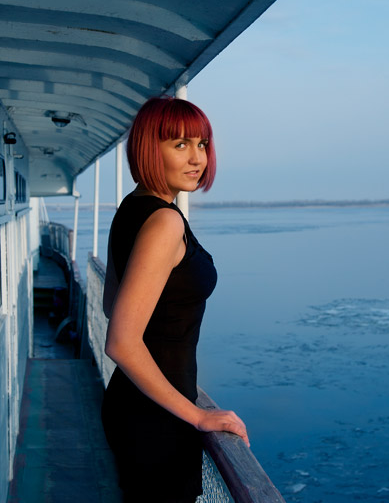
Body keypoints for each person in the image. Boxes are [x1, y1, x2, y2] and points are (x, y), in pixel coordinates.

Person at [101, 95, 248, 502]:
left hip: (138, 400)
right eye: (180, 144)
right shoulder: (165, 221)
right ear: (149, 147)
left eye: (202, 144)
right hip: (158, 416)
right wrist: (198, 416)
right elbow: (121, 342)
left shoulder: (131, 209)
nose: (197, 158)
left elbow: (111, 305)